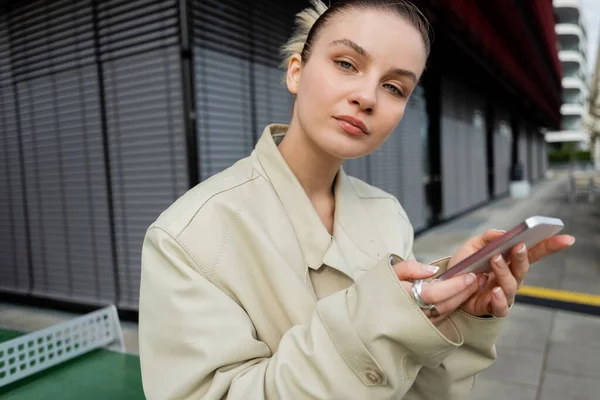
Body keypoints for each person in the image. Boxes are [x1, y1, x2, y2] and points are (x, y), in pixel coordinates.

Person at [138, 1, 575, 398]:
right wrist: (376, 320)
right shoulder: (190, 236)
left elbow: (421, 389)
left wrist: (458, 312)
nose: (366, 97)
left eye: (395, 88)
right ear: (295, 71)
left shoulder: (387, 213)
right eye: (346, 63)